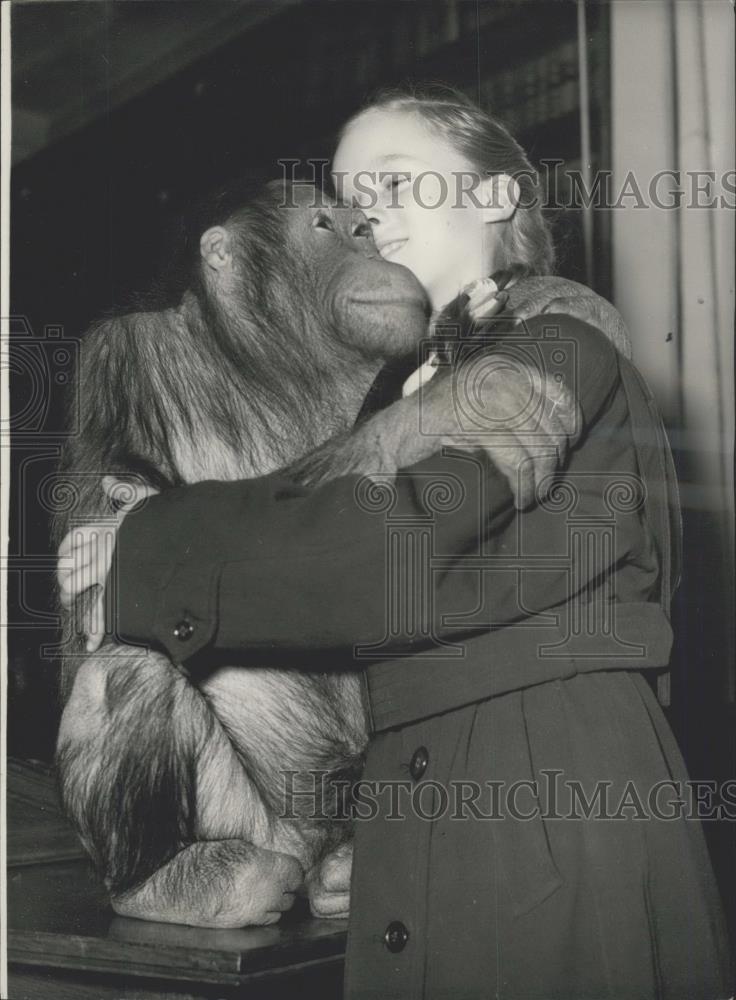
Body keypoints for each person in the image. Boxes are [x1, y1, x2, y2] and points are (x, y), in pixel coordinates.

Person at [58, 90, 732, 999]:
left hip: (542, 797)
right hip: (417, 804)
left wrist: (143, 547)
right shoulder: (393, 377)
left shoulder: (558, 336)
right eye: (342, 203)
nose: (367, 217)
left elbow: (383, 552)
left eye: (393, 182)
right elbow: (299, 523)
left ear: (497, 198)